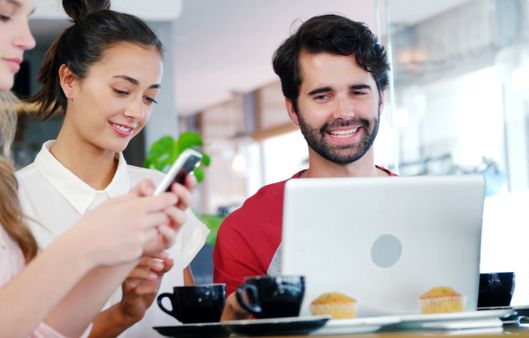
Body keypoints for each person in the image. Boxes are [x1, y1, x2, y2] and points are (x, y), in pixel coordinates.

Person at [0, 0, 194, 337]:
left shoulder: (156, 193)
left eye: (149, 98)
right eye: (121, 90)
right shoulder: (14, 198)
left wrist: (127, 308)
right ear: (70, 81)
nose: (136, 112)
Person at [213, 14, 393, 320]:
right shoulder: (245, 229)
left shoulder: (428, 210)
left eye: (358, 92)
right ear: (293, 110)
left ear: (381, 99)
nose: (344, 112)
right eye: (322, 96)